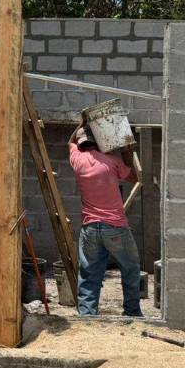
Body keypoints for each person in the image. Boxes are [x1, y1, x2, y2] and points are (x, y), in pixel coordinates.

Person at [67, 124, 143, 318]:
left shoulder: (77, 160)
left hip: (90, 228)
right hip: (115, 227)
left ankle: (87, 316)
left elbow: (70, 142)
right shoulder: (112, 162)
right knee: (131, 269)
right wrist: (127, 153)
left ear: (82, 143)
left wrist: (83, 121)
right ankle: (132, 313)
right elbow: (135, 178)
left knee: (89, 274)